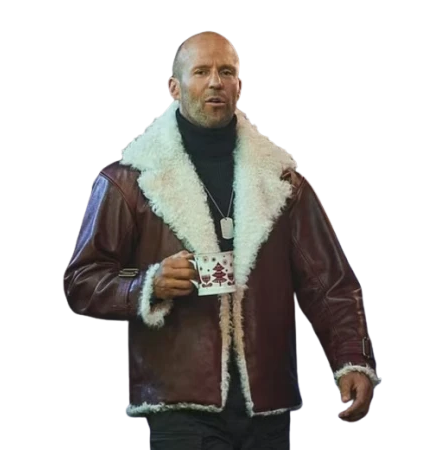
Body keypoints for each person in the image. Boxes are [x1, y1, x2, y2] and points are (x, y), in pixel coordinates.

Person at [62, 30, 382, 449]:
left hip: (267, 404)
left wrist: (352, 358)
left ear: (239, 87)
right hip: (179, 405)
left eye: (226, 72)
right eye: (201, 71)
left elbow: (330, 283)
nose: (215, 81)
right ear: (174, 87)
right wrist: (146, 286)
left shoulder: (281, 182)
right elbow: (79, 283)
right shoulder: (131, 181)